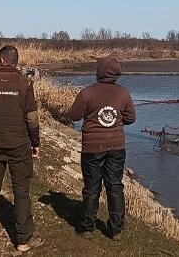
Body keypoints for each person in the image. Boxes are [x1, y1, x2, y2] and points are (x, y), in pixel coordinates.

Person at [0, 46, 43, 252]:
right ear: (15, 62)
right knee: (21, 193)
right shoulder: (24, 84)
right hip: (19, 146)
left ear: (1, 60)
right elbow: (32, 119)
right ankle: (22, 240)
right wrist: (35, 143)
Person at [67, 55, 136, 242]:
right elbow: (131, 118)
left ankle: (87, 227)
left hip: (92, 147)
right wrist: (117, 118)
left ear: (99, 72)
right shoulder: (123, 93)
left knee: (92, 187)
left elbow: (74, 115)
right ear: (116, 74)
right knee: (114, 185)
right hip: (116, 146)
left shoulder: (87, 93)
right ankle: (116, 228)